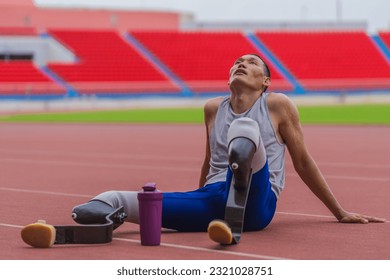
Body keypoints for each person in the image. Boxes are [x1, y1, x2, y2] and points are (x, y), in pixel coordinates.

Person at [22, 54, 386, 247]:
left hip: (257, 205)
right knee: (108, 198)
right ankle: (93, 230)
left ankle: (233, 220)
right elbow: (209, 161)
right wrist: (196, 194)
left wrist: (339, 211)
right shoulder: (213, 109)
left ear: (265, 81)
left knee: (246, 131)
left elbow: (303, 161)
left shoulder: (278, 105)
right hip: (213, 198)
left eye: (252, 62)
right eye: (237, 62)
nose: (241, 64)